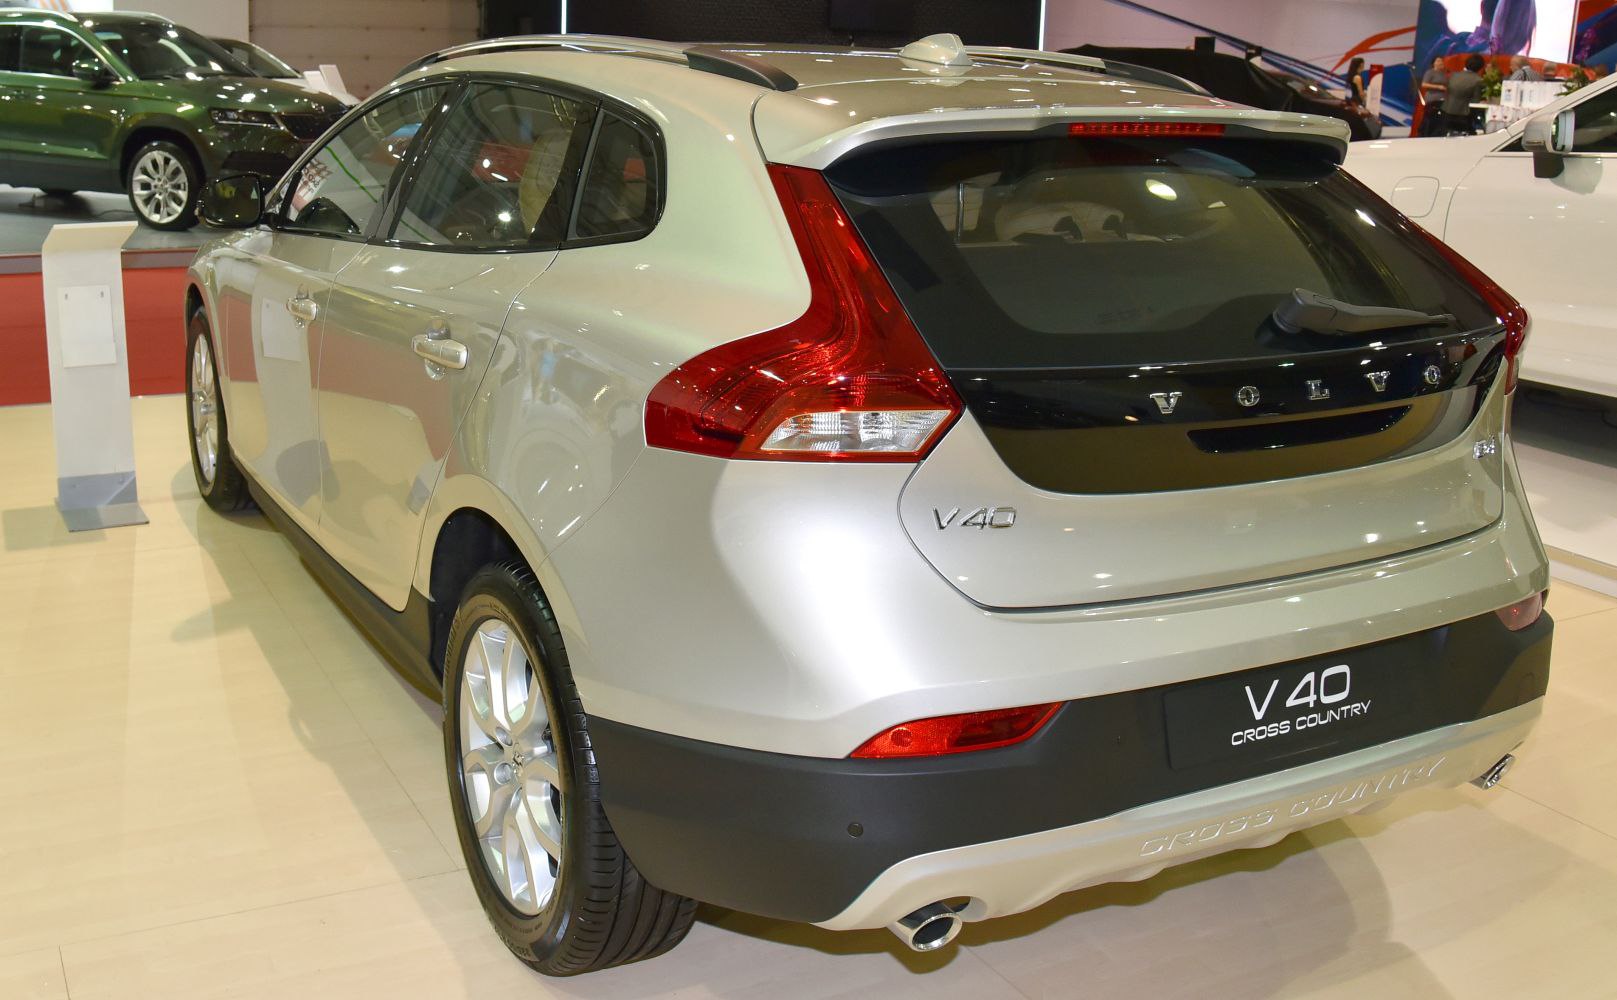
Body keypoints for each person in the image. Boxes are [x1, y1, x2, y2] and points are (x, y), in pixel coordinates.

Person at [1443, 53, 1486, 134]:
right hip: (1464, 117)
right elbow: (1475, 101)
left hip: (1447, 112)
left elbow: (1448, 91)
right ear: (1480, 67)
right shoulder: (1478, 80)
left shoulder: (1454, 75)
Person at [1419, 55, 1449, 136]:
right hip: (1432, 98)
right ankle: (1426, 133)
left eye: (1441, 61)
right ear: (1434, 63)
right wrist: (1438, 87)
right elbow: (1424, 84)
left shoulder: (1444, 74)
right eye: (1438, 61)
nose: (1440, 63)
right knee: (1430, 117)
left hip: (1442, 99)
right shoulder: (1430, 72)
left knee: (1440, 118)